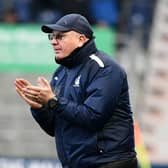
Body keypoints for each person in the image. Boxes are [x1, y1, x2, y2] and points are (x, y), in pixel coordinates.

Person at [15, 13, 138, 168]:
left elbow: (93, 117)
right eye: (52, 37)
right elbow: (55, 128)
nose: (53, 41)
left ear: (81, 39)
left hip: (109, 163)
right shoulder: (60, 73)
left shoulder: (105, 68)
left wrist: (53, 101)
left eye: (60, 36)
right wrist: (39, 107)